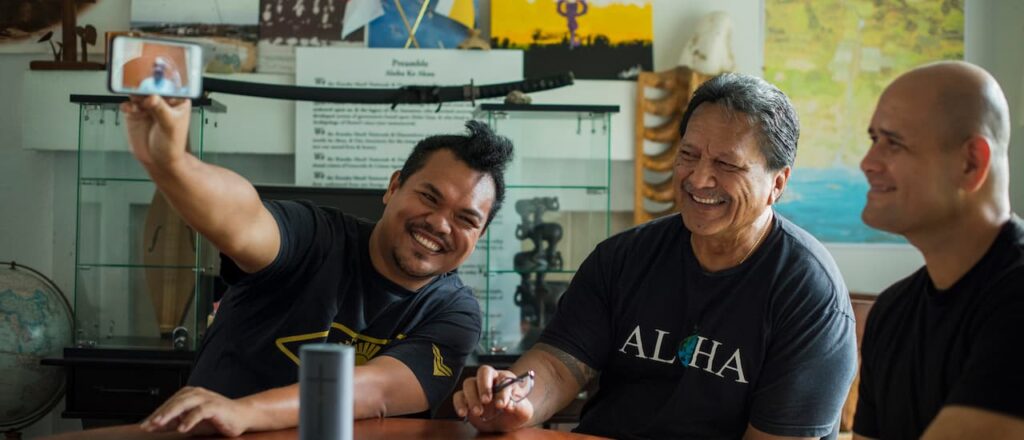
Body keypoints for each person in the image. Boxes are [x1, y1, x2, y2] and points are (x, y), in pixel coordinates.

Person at [455, 73, 858, 439]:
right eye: (688, 155)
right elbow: (561, 365)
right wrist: (516, 399)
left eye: (726, 164)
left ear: (777, 183)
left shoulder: (808, 294)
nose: (699, 179)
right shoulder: (624, 257)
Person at [120, 95, 513, 436]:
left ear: (480, 235)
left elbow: (375, 392)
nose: (440, 224)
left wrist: (246, 411)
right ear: (393, 187)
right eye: (429, 197)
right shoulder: (314, 237)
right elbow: (241, 220)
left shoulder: (454, 313)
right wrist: (173, 164)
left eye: (466, 219)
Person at [852, 61, 1024, 439]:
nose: (868, 163)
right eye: (873, 139)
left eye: (893, 143)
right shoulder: (891, 313)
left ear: (970, 163)